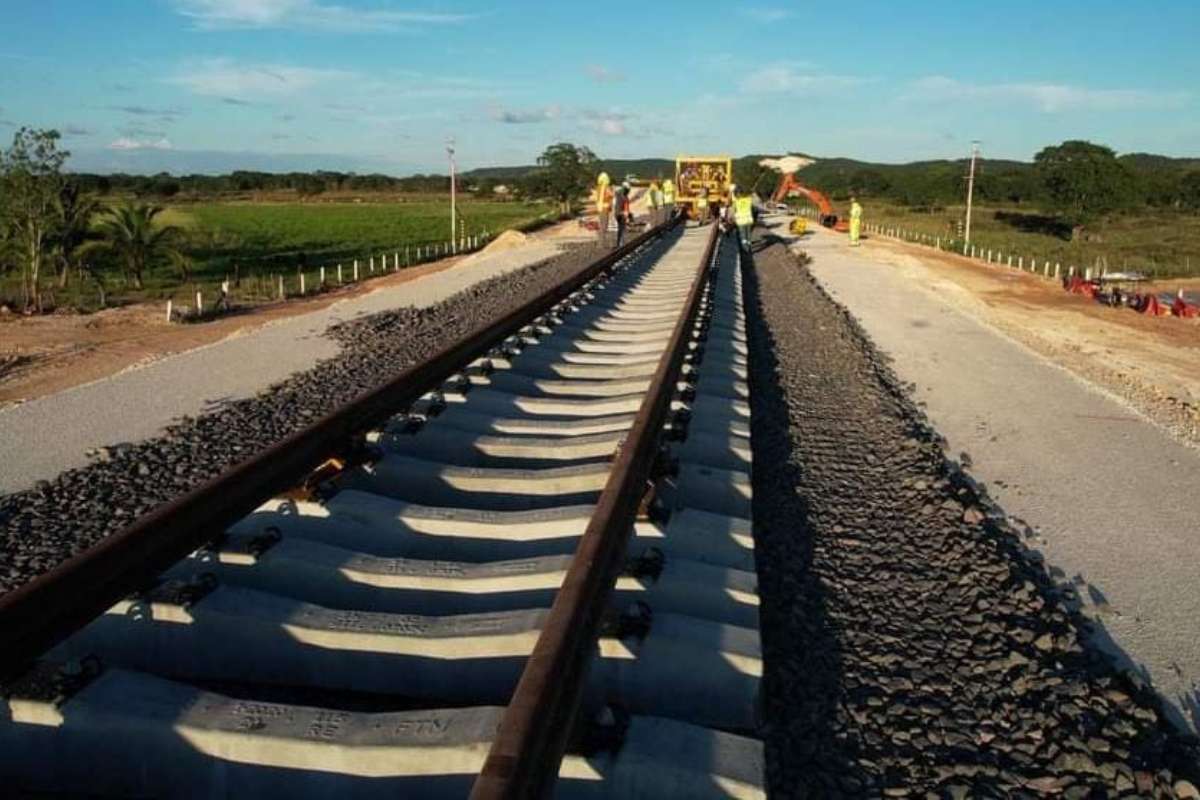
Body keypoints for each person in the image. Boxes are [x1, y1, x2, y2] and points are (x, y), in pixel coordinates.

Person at [594, 172, 614, 246]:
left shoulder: (598, 187)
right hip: (605, 207)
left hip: (599, 208)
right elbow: (611, 195)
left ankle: (601, 242)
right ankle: (601, 243)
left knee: (601, 224)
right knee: (604, 225)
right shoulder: (606, 187)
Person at [733, 187, 755, 251]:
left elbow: (733, 211)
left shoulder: (736, 202)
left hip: (741, 222)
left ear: (736, 194)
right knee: (748, 235)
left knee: (743, 237)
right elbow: (753, 205)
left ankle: (745, 249)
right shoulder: (748, 200)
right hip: (749, 220)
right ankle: (749, 246)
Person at [614, 182, 632, 247]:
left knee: (620, 229)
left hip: (618, 213)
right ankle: (622, 244)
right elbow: (625, 206)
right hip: (621, 214)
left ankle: (619, 243)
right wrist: (626, 214)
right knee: (622, 229)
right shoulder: (623, 195)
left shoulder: (618, 194)